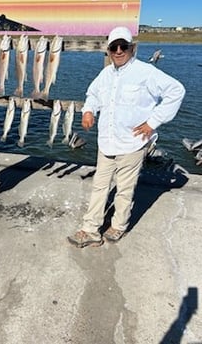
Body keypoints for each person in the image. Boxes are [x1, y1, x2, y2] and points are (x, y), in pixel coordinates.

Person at [68, 26, 185, 248]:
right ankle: (90, 229)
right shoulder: (105, 73)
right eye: (114, 47)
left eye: (124, 46)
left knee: (124, 189)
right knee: (99, 186)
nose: (119, 51)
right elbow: (92, 94)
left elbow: (176, 91)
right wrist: (88, 111)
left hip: (131, 143)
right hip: (106, 142)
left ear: (133, 48)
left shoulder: (146, 72)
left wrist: (152, 122)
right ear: (109, 50)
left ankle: (119, 226)